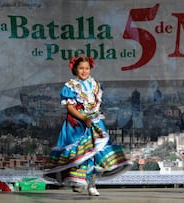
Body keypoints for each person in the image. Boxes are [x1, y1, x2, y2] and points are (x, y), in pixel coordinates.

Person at [44, 55, 132, 196]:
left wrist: (94, 115)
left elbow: (96, 104)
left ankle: (92, 184)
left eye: (87, 68)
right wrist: (83, 118)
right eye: (81, 68)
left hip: (95, 122)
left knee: (95, 153)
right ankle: (78, 181)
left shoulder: (96, 84)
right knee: (81, 155)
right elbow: (70, 107)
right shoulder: (71, 86)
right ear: (75, 69)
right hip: (78, 124)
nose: (84, 71)